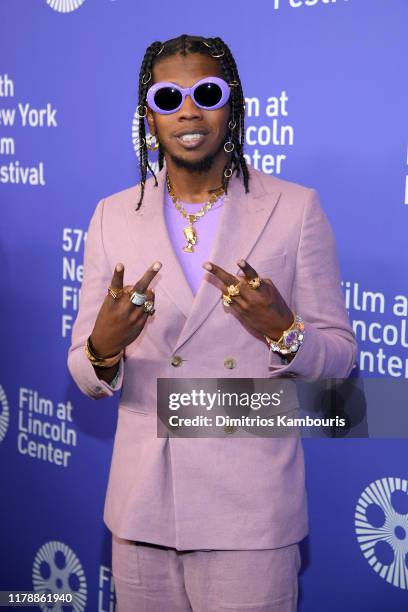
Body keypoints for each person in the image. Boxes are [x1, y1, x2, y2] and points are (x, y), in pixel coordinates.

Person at [68, 34, 357, 612]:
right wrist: (104, 345)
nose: (189, 111)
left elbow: (342, 357)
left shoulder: (294, 208)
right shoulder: (111, 215)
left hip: (248, 514)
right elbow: (83, 368)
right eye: (168, 97)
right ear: (149, 115)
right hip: (141, 508)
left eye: (206, 92)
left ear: (233, 104)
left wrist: (284, 330)